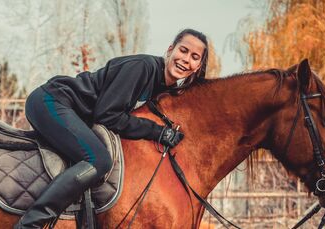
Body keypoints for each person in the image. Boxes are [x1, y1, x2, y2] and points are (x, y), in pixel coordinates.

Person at [14, 28, 208, 228]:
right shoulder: (142, 67)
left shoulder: (163, 89)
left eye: (194, 57)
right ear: (170, 50)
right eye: (183, 50)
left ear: (197, 67)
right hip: (52, 101)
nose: (186, 59)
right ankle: (30, 224)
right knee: (98, 160)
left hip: (70, 112)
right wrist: (157, 132)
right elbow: (107, 115)